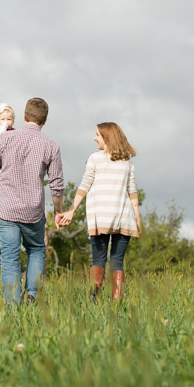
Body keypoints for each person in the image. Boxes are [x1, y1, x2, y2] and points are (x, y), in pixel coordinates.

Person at [0, 98, 64, 305]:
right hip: (33, 210)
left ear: (24, 117)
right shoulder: (51, 146)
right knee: (36, 249)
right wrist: (58, 211)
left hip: (7, 209)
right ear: (44, 121)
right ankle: (32, 296)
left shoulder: (5, 139)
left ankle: (13, 307)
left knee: (10, 257)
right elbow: (56, 184)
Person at [60, 122, 141, 301]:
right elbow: (132, 192)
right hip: (124, 218)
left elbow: (85, 185)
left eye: (97, 134)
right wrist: (137, 218)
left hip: (100, 217)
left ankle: (95, 290)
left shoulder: (95, 158)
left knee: (98, 261)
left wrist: (72, 209)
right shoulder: (128, 163)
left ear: (107, 137)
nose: (94, 138)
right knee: (117, 261)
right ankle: (116, 301)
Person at [0, 103, 15, 201]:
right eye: (3, 119)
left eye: (9, 119)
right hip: (1, 157)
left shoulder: (15, 132)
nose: (6, 121)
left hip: (11, 158)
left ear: (13, 121)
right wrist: (5, 125)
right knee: (0, 174)